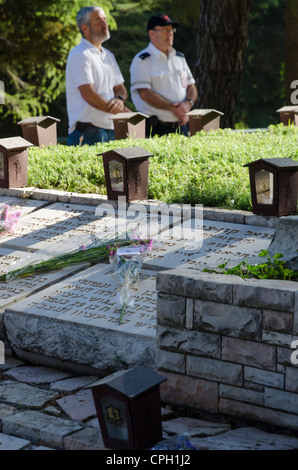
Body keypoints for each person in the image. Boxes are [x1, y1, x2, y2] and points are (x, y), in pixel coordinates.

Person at [66, 6, 129, 146]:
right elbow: (88, 94)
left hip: (112, 130)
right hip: (87, 133)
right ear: (85, 28)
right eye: (98, 20)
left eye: (105, 20)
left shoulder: (109, 56)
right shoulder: (80, 54)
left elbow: (121, 88)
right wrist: (119, 111)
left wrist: (119, 100)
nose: (105, 24)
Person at [130, 13, 198, 138]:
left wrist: (187, 105)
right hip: (155, 128)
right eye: (165, 30)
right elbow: (145, 93)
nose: (170, 33)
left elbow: (191, 87)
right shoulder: (142, 60)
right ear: (152, 33)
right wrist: (174, 108)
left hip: (180, 126)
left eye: (172, 30)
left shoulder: (179, 58)